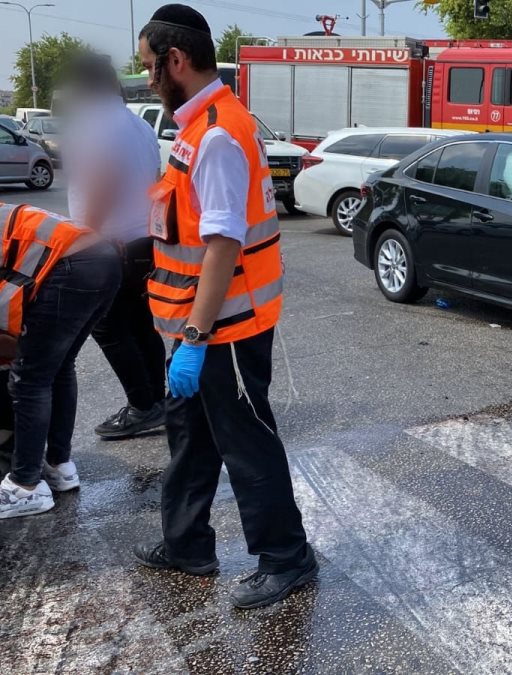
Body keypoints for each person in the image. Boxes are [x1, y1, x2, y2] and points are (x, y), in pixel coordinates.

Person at [131, 4, 316, 610]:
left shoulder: (214, 133)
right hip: (202, 324)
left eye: (150, 67)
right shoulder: (200, 124)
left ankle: (287, 557)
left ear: (175, 61)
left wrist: (193, 334)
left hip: (223, 326)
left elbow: (222, 244)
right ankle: (186, 543)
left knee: (246, 440)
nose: (148, 79)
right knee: (191, 434)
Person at [61, 52, 168, 440]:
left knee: (107, 327)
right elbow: (155, 179)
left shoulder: (93, 125)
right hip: (144, 238)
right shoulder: (137, 125)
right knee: (142, 325)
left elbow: (102, 181)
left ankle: (143, 405)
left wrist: (82, 239)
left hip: (110, 242)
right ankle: (158, 401)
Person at [0, 202, 120, 519]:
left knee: (30, 379)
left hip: (71, 268)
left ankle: (24, 486)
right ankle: (59, 467)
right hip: (101, 258)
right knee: (58, 366)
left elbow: (8, 341)